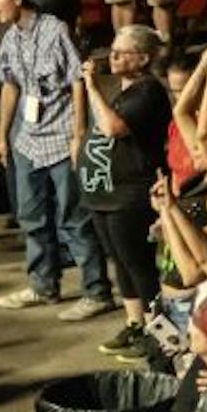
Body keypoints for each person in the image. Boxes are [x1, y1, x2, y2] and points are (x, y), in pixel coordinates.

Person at [0, 0, 112, 319]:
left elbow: (77, 81)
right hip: (27, 140)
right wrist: (3, 137)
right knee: (31, 216)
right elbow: (10, 87)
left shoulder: (55, 30)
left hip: (60, 139)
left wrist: (78, 134)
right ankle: (44, 285)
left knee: (73, 218)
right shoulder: (10, 38)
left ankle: (97, 291)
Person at [77, 24, 169, 357]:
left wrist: (90, 85)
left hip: (130, 195)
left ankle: (156, 332)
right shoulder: (122, 89)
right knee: (121, 263)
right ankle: (135, 324)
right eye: (112, 50)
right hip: (104, 193)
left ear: (143, 58)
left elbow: (113, 127)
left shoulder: (148, 92)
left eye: (121, 52)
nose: (112, 56)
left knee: (139, 265)